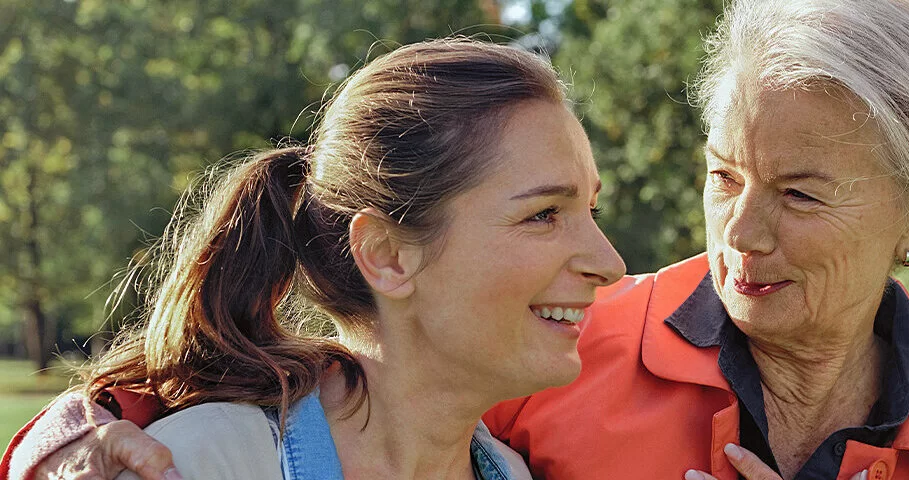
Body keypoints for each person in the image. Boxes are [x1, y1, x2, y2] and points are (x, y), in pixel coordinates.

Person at [6, 1, 909, 479]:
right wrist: (62, 458)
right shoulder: (562, 344)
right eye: (723, 176)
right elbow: (296, 390)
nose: (740, 230)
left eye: (802, 195)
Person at [5, 38, 625, 480]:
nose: (611, 263)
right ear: (386, 256)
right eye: (544, 214)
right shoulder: (202, 464)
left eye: (590, 212)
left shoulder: (512, 471)